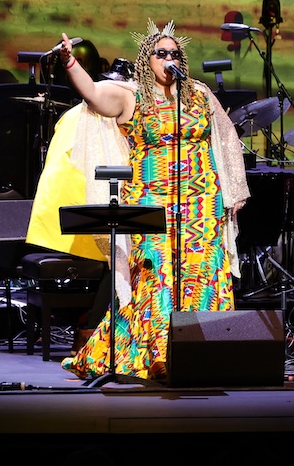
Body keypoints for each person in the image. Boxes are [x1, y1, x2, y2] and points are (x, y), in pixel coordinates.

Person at [25, 20, 250, 382]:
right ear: (147, 60)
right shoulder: (130, 95)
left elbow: (224, 139)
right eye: (161, 53)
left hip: (202, 201)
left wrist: (233, 189)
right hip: (153, 202)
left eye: (175, 53)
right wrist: (70, 63)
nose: (168, 59)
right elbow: (94, 95)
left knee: (203, 275)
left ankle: (205, 350)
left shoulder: (199, 94)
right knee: (158, 274)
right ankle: (161, 352)